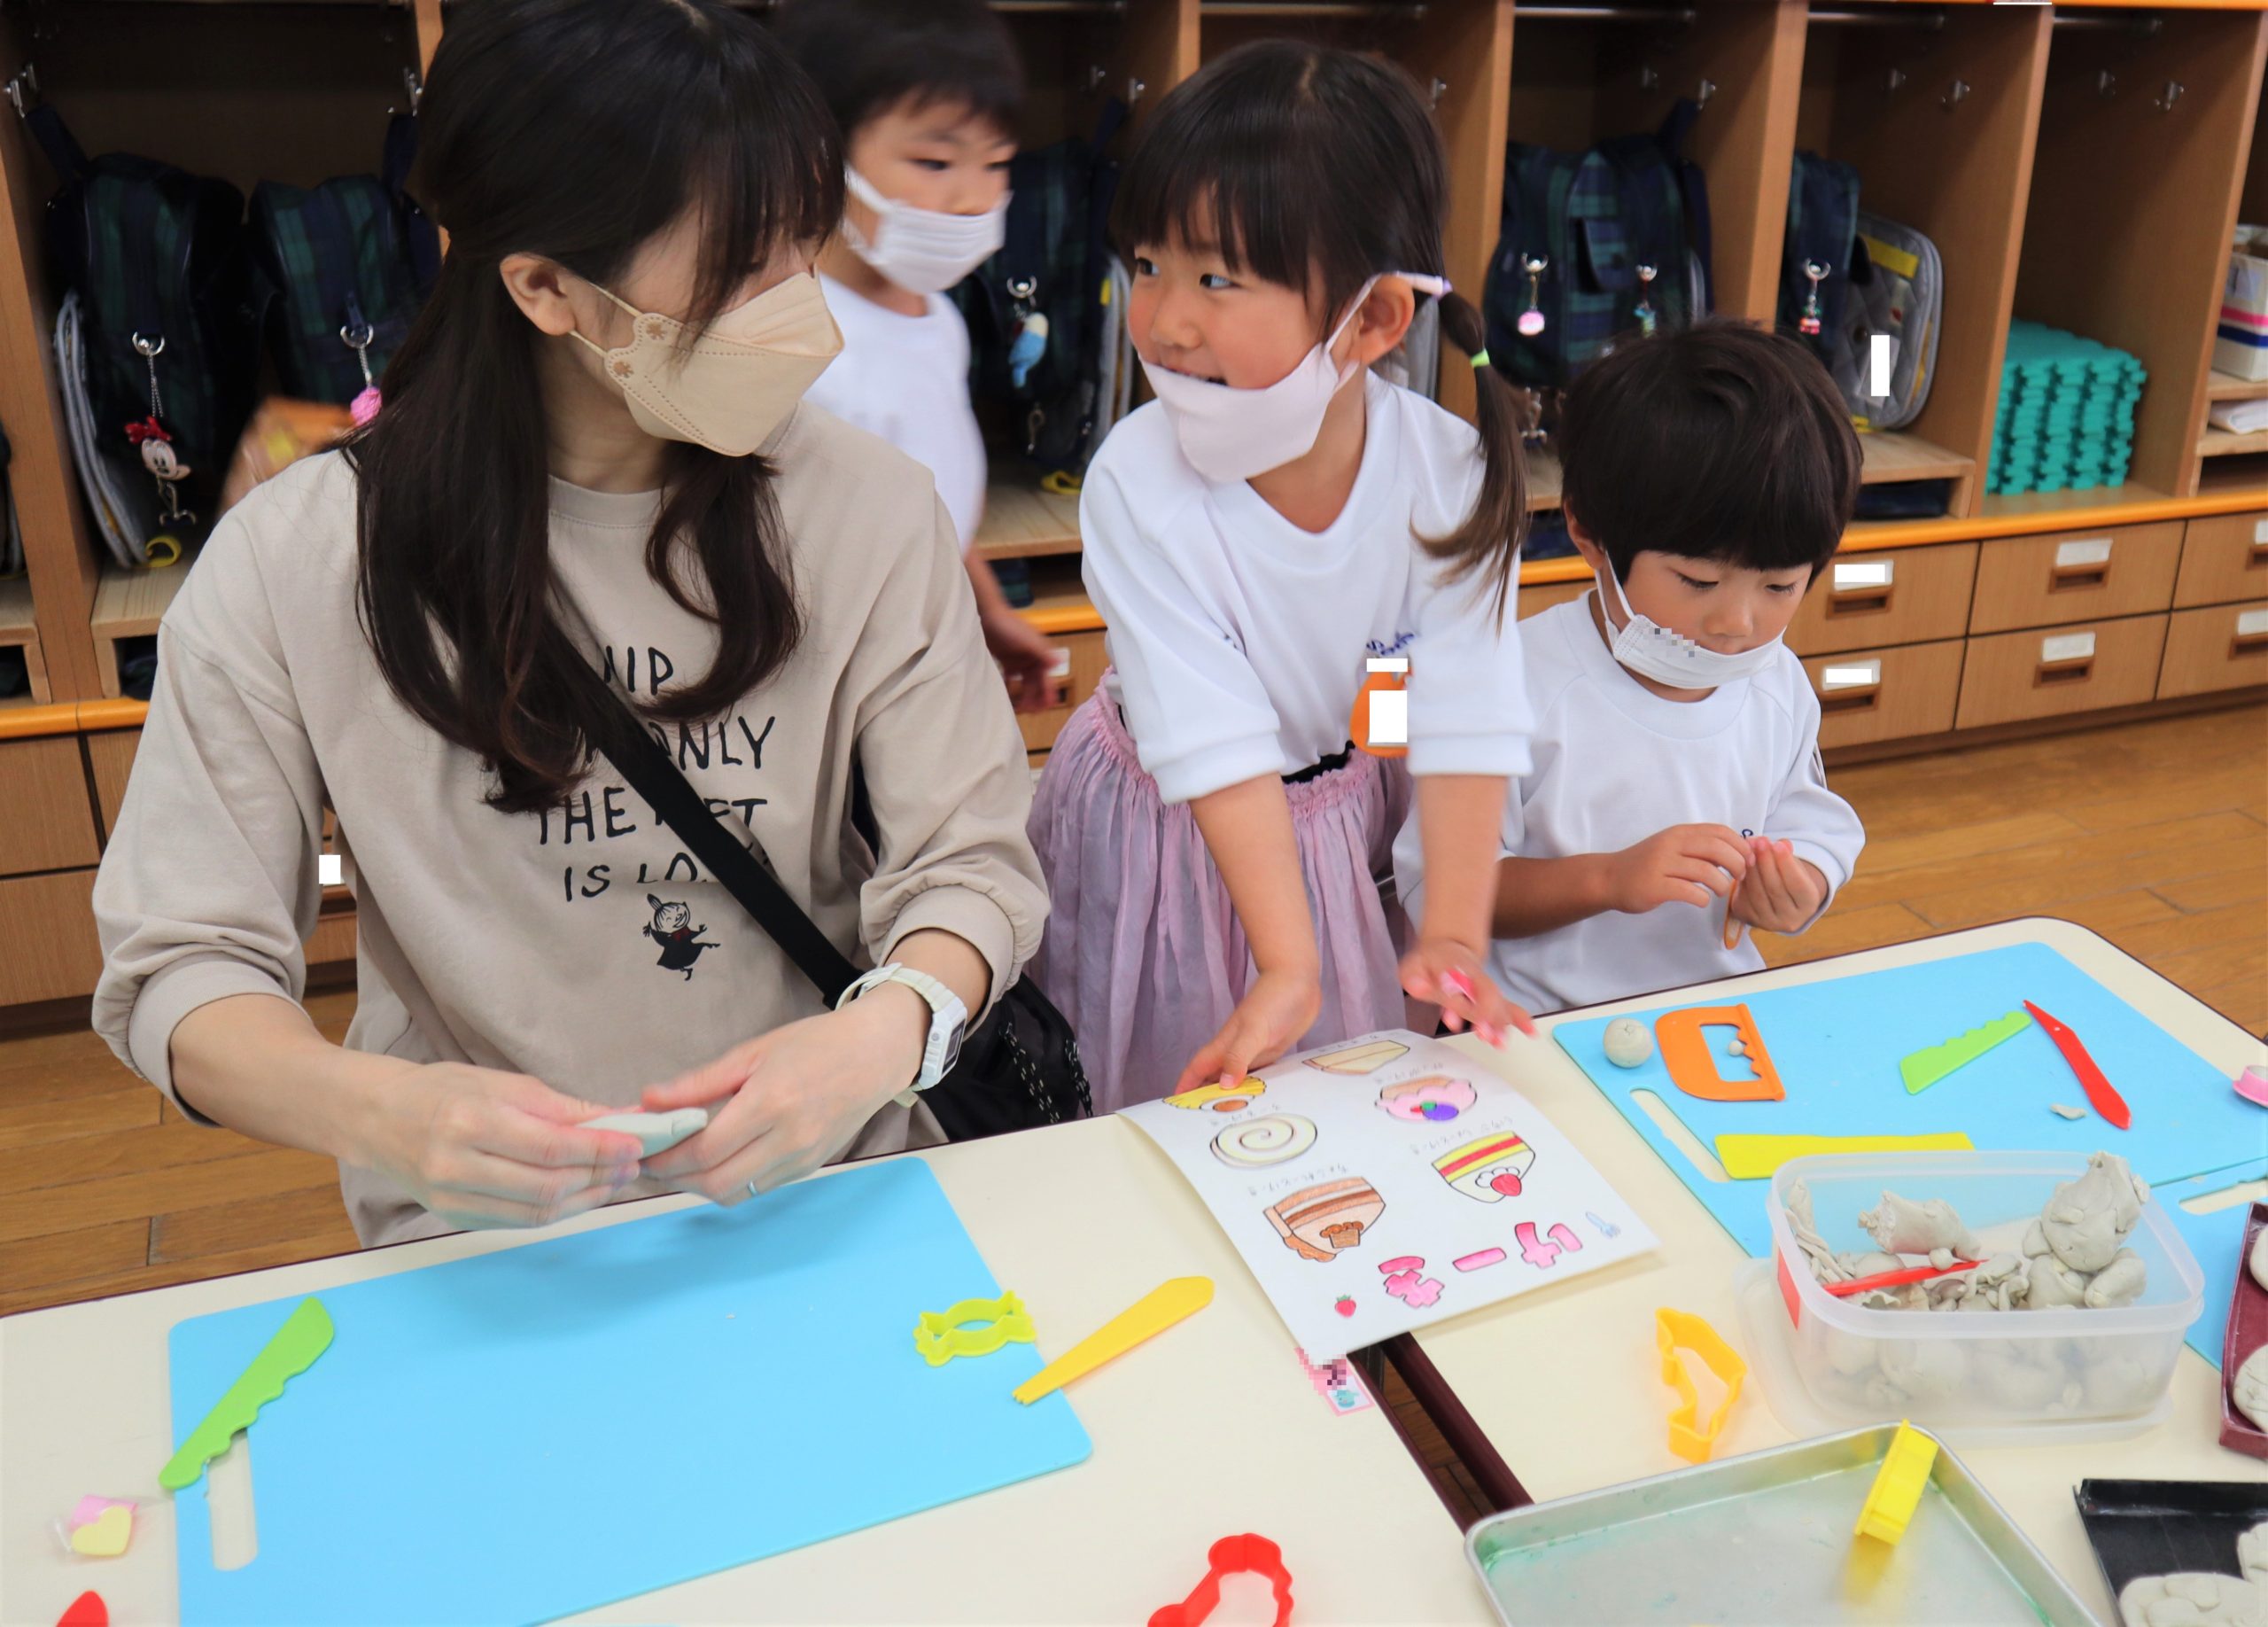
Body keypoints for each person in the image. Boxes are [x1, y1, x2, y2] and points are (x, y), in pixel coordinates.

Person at [89, 0, 1046, 1247]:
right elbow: (181, 967)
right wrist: (384, 1113)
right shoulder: (298, 558)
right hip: (478, 1234)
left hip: (830, 1186)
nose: (797, 311)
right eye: (740, 269)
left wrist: (881, 1034)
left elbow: (972, 866)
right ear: (544, 287)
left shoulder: (868, 508)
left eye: (801, 248)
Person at [1026, 42, 1535, 1114]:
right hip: (1173, 822)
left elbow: (1461, 714)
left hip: (1332, 801)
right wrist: (1290, 963)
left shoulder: (1450, 475)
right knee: (1164, 1081)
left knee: (1329, 1099)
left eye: (1217, 278)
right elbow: (1212, 741)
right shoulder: (1135, 484)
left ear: (1374, 319)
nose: (1165, 320)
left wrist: (1450, 931)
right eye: (1149, 265)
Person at [1396, 321, 1867, 1015]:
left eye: (1779, 586)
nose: (1737, 623)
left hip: (1714, 1013)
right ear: (1588, 533)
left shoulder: (1775, 684)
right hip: (1541, 1024)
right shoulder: (1509, 683)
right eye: (1698, 581)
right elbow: (1441, 891)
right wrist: (1608, 880)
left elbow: (1808, 817)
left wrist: (1803, 882)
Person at [776, 0, 1060, 712]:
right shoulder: (794, 346)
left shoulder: (937, 317)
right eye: (934, 162)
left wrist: (985, 611)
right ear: (818, 155)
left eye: (997, 163)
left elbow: (932, 512)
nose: (973, 198)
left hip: (927, 657)